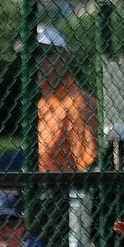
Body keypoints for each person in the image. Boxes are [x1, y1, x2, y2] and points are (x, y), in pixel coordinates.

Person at [30, 25, 98, 173]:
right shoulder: (43, 102)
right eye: (32, 54)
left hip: (61, 191)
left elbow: (87, 168)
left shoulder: (77, 104)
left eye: (44, 54)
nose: (37, 62)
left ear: (64, 57)